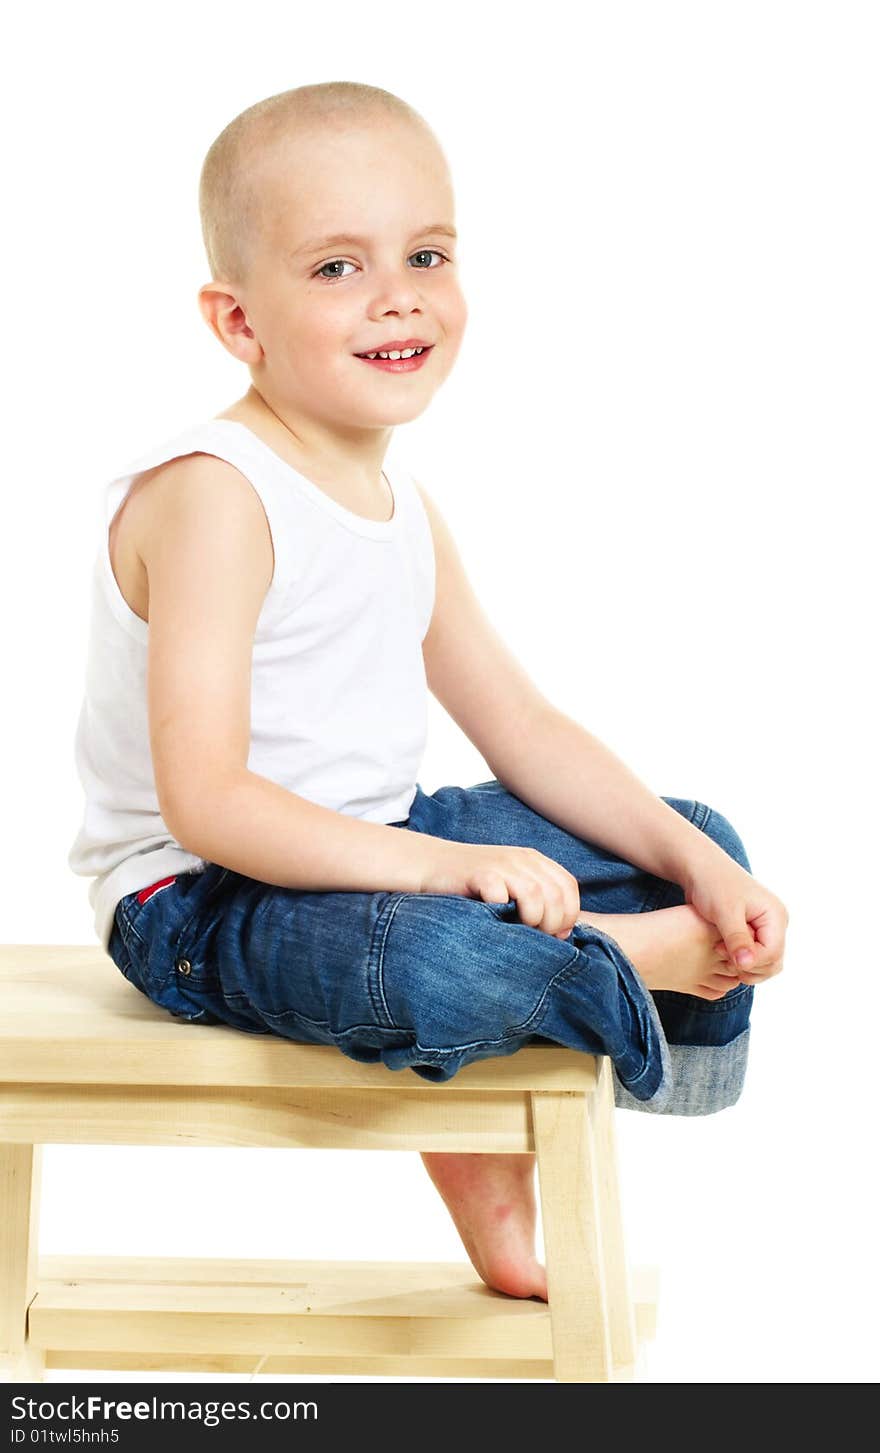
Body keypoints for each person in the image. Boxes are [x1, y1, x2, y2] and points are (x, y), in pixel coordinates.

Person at [68, 80, 788, 1303]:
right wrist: (443, 870)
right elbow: (206, 803)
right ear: (236, 321)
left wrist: (690, 858)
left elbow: (521, 726)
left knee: (694, 842)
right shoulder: (214, 496)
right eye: (337, 266)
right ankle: (611, 960)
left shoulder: (399, 509)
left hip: (373, 851)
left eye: (426, 253)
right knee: (439, 959)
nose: (397, 292)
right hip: (198, 901)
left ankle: (599, 961)